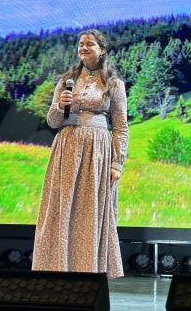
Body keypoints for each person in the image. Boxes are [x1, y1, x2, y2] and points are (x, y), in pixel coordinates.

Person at [31, 29, 128, 279]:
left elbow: (120, 127)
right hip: (67, 148)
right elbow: (53, 122)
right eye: (80, 44)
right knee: (63, 209)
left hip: (97, 151)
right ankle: (59, 268)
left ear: (102, 50)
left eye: (89, 44)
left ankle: (89, 272)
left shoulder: (114, 84)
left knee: (90, 212)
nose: (83, 48)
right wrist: (60, 106)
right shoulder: (66, 81)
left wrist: (117, 163)